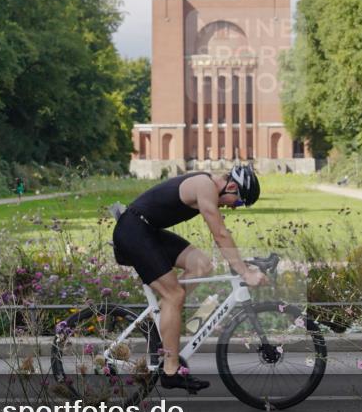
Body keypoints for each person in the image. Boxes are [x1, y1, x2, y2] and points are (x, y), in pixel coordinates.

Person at [112, 165, 268, 393]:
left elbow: (221, 236)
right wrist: (244, 272)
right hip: (133, 231)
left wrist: (244, 264)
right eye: (237, 202)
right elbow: (220, 233)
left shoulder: (208, 186)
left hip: (147, 230)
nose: (233, 208)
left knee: (201, 264)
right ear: (231, 186)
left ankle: (166, 317)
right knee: (174, 294)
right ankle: (171, 371)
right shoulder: (205, 186)